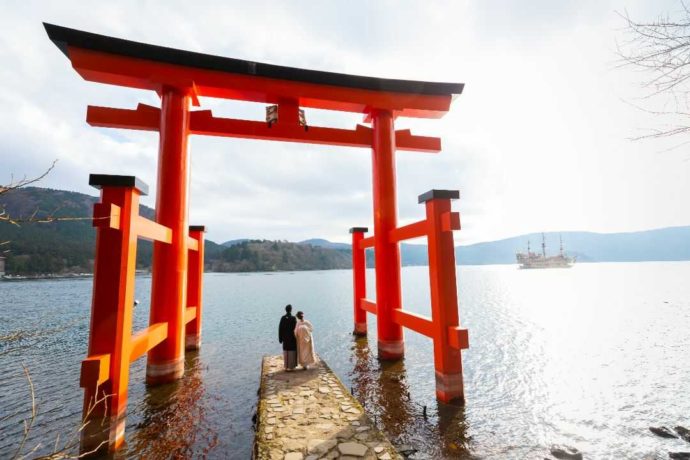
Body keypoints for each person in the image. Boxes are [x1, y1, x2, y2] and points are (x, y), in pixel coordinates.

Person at [278, 304, 297, 371]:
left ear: (285, 310)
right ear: (291, 310)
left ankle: (286, 366)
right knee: (291, 351)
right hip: (292, 338)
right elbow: (296, 329)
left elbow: (280, 329)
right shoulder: (293, 318)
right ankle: (291, 367)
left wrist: (280, 339)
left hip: (285, 338)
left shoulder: (283, 318)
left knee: (286, 351)